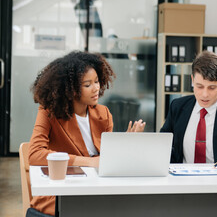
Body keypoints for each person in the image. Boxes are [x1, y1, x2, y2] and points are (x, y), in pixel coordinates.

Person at [28, 51, 145, 216]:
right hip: (61, 193)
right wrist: (88, 162)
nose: (96, 88)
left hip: (95, 189)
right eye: (87, 84)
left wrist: (124, 145)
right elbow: (34, 154)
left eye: (97, 82)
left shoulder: (103, 114)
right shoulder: (49, 112)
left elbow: (107, 160)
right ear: (71, 89)